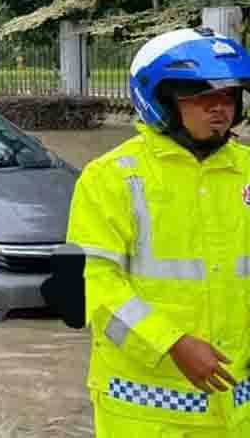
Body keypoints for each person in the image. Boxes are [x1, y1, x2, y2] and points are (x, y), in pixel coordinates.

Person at [65, 27, 250, 437]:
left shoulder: (247, 170)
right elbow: (93, 286)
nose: (218, 108)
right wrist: (172, 343)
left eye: (228, 96)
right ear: (161, 101)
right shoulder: (111, 179)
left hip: (237, 407)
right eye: (201, 97)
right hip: (144, 410)